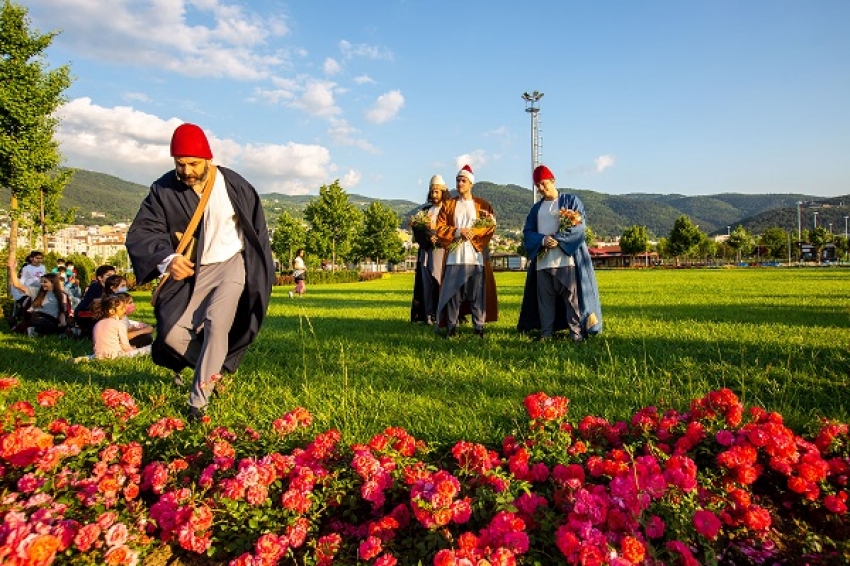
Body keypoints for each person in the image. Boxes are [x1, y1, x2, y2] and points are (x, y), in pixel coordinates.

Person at [125, 123, 275, 421]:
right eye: (180, 164)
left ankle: (198, 402)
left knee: (217, 323)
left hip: (233, 264)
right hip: (192, 273)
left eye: (193, 163)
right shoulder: (163, 189)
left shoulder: (235, 185)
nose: (187, 170)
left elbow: (256, 229)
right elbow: (143, 230)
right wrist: (167, 258)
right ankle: (213, 373)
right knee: (171, 336)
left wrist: (259, 268)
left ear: (208, 158)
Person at [517, 165, 603, 341]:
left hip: (566, 261)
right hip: (543, 263)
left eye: (543, 184)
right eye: (537, 186)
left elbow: (579, 227)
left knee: (572, 300)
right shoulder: (536, 209)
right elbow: (528, 232)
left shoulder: (571, 201)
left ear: (553, 181)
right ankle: (546, 334)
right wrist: (542, 240)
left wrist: (559, 238)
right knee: (545, 302)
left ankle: (576, 334)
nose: (541, 188)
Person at [433, 165, 498, 338]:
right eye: (458, 180)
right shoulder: (448, 205)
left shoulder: (482, 205)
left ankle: (479, 327)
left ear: (471, 183)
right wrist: (457, 232)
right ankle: (451, 327)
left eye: (463, 180)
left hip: (475, 258)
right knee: (453, 295)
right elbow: (440, 229)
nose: (460, 183)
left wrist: (473, 233)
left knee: (477, 295)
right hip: (455, 258)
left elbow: (490, 226)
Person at [410, 174, 449, 325]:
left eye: (437, 192)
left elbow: (452, 229)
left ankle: (442, 315)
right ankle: (427, 315)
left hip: (442, 252)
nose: (434, 195)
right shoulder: (425, 211)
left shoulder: (448, 210)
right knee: (426, 286)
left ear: (443, 192)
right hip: (426, 252)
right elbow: (418, 232)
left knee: (441, 283)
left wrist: (439, 237)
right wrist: (427, 237)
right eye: (432, 192)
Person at [7, 258, 69, 337]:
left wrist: (63, 322)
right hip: (36, 317)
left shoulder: (62, 295)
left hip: (51, 320)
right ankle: (22, 328)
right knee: (38, 321)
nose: (42, 284)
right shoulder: (36, 291)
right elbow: (17, 285)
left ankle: (33, 331)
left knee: (57, 326)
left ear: (53, 283)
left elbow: (62, 311)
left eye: (45, 282)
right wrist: (12, 269)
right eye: (41, 282)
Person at [90, 295, 151, 360]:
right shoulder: (119, 324)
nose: (125, 310)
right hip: (115, 356)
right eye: (122, 308)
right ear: (112, 311)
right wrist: (133, 350)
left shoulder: (97, 324)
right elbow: (125, 346)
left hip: (98, 355)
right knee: (150, 348)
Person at [73, 265, 116, 336]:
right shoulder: (95, 287)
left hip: (97, 314)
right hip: (85, 314)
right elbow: (98, 304)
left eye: (114, 275)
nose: (112, 278)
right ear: (100, 278)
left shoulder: (110, 288)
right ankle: (78, 331)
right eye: (108, 275)